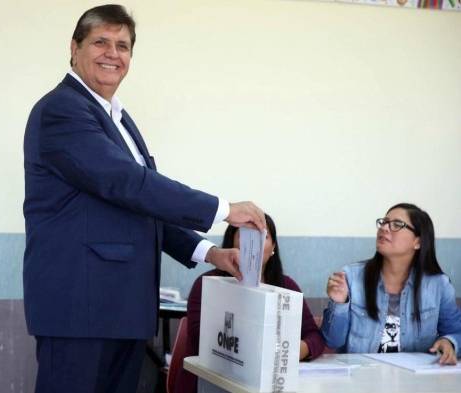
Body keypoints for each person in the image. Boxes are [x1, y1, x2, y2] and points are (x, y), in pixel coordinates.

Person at [23, 5, 266, 393]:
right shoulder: (62, 110)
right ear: (74, 47)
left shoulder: (116, 118)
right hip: (80, 310)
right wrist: (222, 209)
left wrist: (209, 253)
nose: (112, 54)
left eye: (123, 46)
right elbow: (128, 183)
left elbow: (139, 203)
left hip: (122, 309)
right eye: (100, 42)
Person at [175, 214, 325, 393]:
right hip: (213, 382)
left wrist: (299, 350)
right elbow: (201, 337)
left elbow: (314, 336)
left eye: (264, 236)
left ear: (274, 247)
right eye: (247, 235)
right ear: (232, 243)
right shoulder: (209, 283)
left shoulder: (287, 287)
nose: (256, 243)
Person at [321, 203, 461, 365]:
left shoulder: (438, 285)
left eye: (396, 225)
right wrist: (339, 304)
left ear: (418, 242)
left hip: (414, 382)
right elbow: (332, 341)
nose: (384, 228)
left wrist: (449, 342)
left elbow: (456, 332)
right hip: (361, 379)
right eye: (384, 222)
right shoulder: (351, 277)